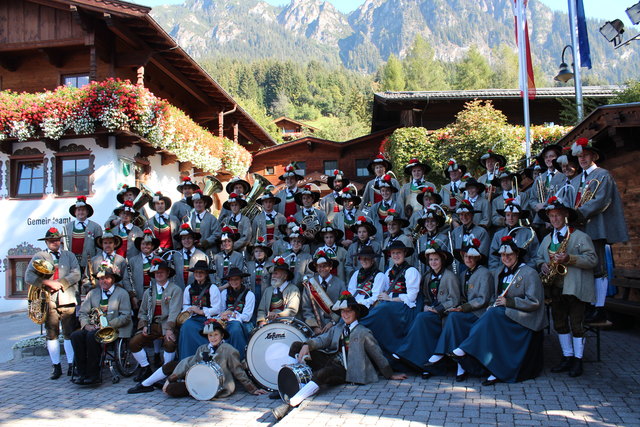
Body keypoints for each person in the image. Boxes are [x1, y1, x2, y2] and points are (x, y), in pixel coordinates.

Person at [271, 291, 407, 420]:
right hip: (330, 359)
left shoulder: (363, 332)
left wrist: (389, 374)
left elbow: (377, 355)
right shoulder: (338, 328)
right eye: (342, 311)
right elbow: (322, 340)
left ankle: (290, 404)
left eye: (349, 311)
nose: (345, 314)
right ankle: (285, 385)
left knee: (324, 373)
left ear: (356, 313)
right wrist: (308, 344)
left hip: (346, 370)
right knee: (297, 345)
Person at [453, 236, 546, 385]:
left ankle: (466, 348)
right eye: (503, 255)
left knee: (493, 315)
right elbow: (495, 297)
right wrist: (492, 304)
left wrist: (508, 302)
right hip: (505, 315)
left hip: (525, 318)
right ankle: (492, 368)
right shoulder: (499, 272)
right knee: (490, 314)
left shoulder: (529, 273)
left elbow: (534, 302)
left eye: (509, 254)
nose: (506, 257)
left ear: (517, 254)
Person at [536, 196, 598, 377]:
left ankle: (578, 360)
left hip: (575, 288)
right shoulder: (547, 239)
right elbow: (539, 258)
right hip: (555, 287)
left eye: (557, 215)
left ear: (565, 216)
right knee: (560, 323)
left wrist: (570, 258)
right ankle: (567, 357)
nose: (554, 219)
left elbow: (593, 260)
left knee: (577, 324)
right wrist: (543, 265)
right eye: (551, 216)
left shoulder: (580, 237)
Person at [570, 137, 628, 323]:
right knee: (584, 266)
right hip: (580, 228)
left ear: (594, 156)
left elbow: (601, 200)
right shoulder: (577, 178)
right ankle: (588, 303)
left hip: (596, 226)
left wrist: (577, 213)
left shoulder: (603, 175)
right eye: (580, 156)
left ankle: (600, 307)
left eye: (586, 156)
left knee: (599, 267)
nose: (582, 159)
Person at [128, 319, 267, 396]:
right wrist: (170, 379)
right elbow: (191, 363)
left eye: (216, 335)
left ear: (222, 335)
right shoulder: (203, 348)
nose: (212, 338)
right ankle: (146, 384)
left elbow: (238, 371)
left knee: (171, 391)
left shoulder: (229, 350)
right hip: (197, 377)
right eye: (210, 335)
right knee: (173, 366)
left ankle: (165, 384)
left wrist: (252, 389)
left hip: (216, 385)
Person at [426, 239, 493, 381]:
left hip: (479, 313)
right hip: (465, 311)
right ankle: (460, 364)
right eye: (465, 256)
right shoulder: (463, 274)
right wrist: (458, 308)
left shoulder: (484, 273)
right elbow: (462, 296)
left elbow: (483, 299)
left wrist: (462, 308)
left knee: (454, 318)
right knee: (453, 317)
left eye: (471, 256)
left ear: (477, 258)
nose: (468, 259)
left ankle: (440, 352)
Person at [392, 240, 460, 377]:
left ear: (442, 260)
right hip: (431, 312)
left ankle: (404, 350)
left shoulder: (450, 277)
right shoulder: (427, 277)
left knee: (421, 319)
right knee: (421, 317)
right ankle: (422, 363)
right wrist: (426, 306)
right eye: (431, 260)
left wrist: (438, 309)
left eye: (436, 259)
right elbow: (426, 297)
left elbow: (454, 299)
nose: (433, 262)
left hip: (444, 314)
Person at [25, 227, 81, 380]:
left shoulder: (69, 255)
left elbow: (76, 274)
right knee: (52, 333)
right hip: (48, 300)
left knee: (69, 333)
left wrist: (61, 283)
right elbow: (28, 276)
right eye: (51, 240)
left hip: (67, 298)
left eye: (57, 240)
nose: (54, 242)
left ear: (60, 241)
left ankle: (71, 365)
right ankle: (56, 366)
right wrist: (46, 283)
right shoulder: (39, 255)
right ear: (47, 242)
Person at [71, 264, 132, 385]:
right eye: (101, 278)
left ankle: (94, 375)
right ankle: (82, 372)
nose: (103, 281)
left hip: (113, 329)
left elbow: (126, 316)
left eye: (107, 278)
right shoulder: (92, 293)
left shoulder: (122, 293)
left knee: (92, 336)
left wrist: (106, 325)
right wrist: (86, 325)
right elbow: (83, 313)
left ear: (113, 279)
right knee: (75, 336)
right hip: (93, 327)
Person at [359, 241, 420, 356]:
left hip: (406, 308)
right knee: (377, 308)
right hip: (391, 306)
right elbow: (386, 291)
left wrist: (391, 300)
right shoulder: (388, 272)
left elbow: (412, 297)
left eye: (399, 253)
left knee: (382, 309)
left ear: (405, 253)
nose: (396, 256)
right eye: (393, 253)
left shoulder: (411, 271)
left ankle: (361, 325)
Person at [129, 259, 182, 382]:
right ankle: (145, 368)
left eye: (162, 272)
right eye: (156, 272)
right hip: (152, 325)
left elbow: (174, 311)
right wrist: (144, 326)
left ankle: (166, 371)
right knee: (134, 343)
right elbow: (142, 311)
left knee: (169, 343)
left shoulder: (175, 290)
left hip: (168, 325)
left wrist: (169, 329)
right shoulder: (149, 291)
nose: (159, 274)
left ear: (168, 273)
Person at [177, 259, 221, 360]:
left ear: (206, 274)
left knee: (210, 331)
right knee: (186, 327)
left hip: (209, 320)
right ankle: (187, 359)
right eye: (196, 272)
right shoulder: (189, 288)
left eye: (201, 272)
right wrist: (190, 310)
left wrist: (201, 311)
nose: (198, 274)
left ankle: (209, 358)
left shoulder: (213, 288)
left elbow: (217, 309)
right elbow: (186, 305)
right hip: (193, 318)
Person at [64, 196, 102, 295]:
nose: (81, 212)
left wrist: (97, 261)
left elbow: (99, 246)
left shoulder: (95, 227)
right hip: (72, 263)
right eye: (79, 210)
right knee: (73, 287)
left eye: (83, 210)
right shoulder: (67, 227)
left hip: (89, 262)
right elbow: (63, 245)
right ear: (75, 212)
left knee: (89, 286)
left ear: (87, 212)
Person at [302, 250, 346, 335]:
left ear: (330, 267)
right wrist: (314, 326)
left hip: (335, 326)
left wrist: (332, 322)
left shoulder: (340, 284)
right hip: (315, 329)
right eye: (319, 267)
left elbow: (343, 306)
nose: (322, 269)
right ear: (316, 268)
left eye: (325, 266)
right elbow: (306, 308)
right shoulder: (310, 284)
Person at [489, 196, 539, 270]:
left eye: (514, 215)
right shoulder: (498, 235)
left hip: (523, 273)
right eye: (508, 215)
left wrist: (526, 269)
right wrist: (496, 273)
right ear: (505, 217)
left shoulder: (529, 234)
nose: (511, 218)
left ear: (518, 216)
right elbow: (493, 259)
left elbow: (535, 256)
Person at [218, 266, 256, 359]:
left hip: (242, 323)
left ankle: (240, 358)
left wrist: (233, 315)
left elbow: (247, 317)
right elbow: (221, 310)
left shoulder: (249, 294)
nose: (234, 282)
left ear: (241, 280)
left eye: (236, 279)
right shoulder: (224, 293)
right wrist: (223, 315)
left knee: (235, 329)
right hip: (225, 321)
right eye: (231, 280)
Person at [528, 143, 565, 235]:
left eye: (551, 156)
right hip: (541, 220)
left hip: (559, 218)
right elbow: (532, 199)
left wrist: (545, 205)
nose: (548, 159)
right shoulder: (539, 178)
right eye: (546, 157)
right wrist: (536, 206)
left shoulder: (564, 175)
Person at [256, 256, 301, 326]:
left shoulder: (293, 290)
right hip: (268, 325)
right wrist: (261, 321)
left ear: (285, 276)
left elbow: (292, 310)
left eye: (276, 273)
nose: (272, 276)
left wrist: (277, 315)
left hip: (288, 325)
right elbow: (261, 310)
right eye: (272, 273)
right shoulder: (268, 290)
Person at [450, 200, 490, 272]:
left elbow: (483, 254)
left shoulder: (481, 232)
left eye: (467, 214)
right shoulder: (455, 232)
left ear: (472, 215)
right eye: (461, 215)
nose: (464, 217)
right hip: (459, 267)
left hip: (476, 268)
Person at [90, 229, 131, 295]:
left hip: (117, 294)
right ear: (102, 245)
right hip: (98, 294)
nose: (108, 245)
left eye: (110, 243)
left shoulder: (121, 260)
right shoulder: (94, 260)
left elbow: (125, 279)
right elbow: (87, 278)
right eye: (105, 243)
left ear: (115, 244)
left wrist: (130, 293)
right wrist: (90, 289)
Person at [129, 230, 161, 310]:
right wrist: (133, 296)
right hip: (139, 296)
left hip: (156, 295)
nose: (145, 246)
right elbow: (128, 279)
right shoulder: (133, 261)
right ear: (140, 246)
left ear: (153, 246)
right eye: (143, 244)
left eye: (148, 244)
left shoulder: (160, 260)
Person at [171, 223, 208, 290]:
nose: (186, 241)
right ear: (181, 241)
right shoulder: (175, 256)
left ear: (194, 239)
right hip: (179, 291)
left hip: (198, 291)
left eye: (189, 238)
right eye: (184, 239)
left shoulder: (202, 256)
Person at [369, 174, 403, 246]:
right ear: (380, 192)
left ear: (391, 192)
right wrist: (369, 234)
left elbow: (403, 223)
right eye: (383, 191)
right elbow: (369, 222)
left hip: (394, 239)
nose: (385, 193)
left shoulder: (398, 206)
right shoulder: (374, 207)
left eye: (387, 191)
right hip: (377, 239)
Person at [345, 216, 381, 281]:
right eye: (359, 232)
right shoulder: (352, 247)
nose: (361, 234)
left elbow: (377, 263)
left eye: (364, 232)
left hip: (371, 278)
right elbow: (348, 264)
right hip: (356, 278)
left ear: (368, 233)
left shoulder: (376, 246)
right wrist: (355, 274)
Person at [187, 190, 220, 256]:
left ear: (205, 204)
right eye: (196, 203)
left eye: (200, 202)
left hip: (208, 251)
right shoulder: (189, 217)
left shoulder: (211, 218)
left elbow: (217, 234)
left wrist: (205, 243)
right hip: (192, 250)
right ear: (193, 204)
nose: (198, 204)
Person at [246, 236, 273, 315]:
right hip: (252, 291)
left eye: (261, 251)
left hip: (265, 292)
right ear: (253, 254)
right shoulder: (249, 265)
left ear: (265, 253)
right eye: (256, 251)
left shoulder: (270, 265)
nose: (259, 253)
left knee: (264, 309)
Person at [331, 186, 364, 250]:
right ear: (342, 203)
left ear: (354, 202)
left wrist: (354, 241)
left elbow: (366, 232)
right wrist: (341, 241)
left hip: (358, 246)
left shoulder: (361, 215)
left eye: (350, 201)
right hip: (342, 247)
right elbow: (334, 232)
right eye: (345, 201)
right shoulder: (337, 216)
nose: (348, 203)